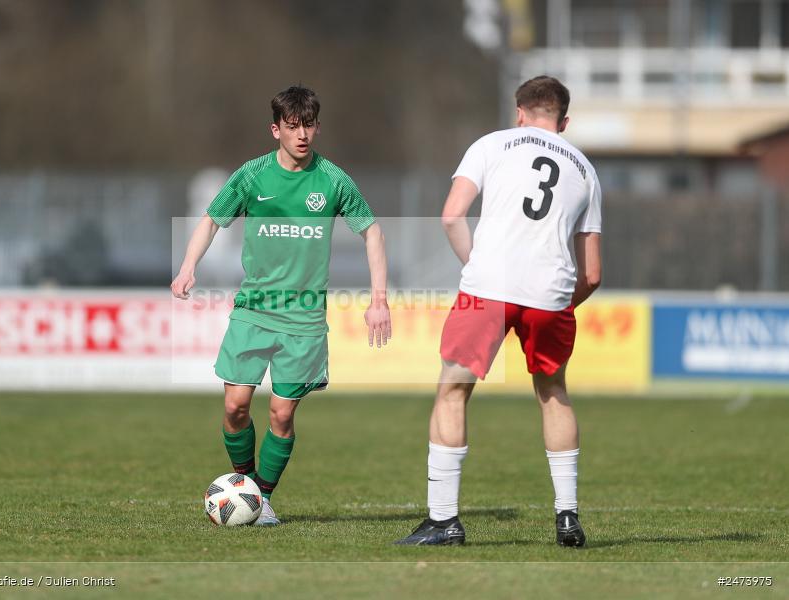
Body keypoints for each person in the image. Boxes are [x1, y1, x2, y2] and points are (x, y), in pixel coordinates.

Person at [396, 76, 602, 547]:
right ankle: (567, 518)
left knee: (452, 392)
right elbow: (591, 273)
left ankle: (445, 521)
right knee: (553, 393)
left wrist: (479, 268)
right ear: (563, 121)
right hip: (550, 293)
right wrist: (555, 302)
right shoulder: (586, 170)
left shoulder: (491, 144)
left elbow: (451, 216)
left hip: (488, 288)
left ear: (519, 112)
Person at [171, 85, 391, 526]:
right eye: (292, 127)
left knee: (281, 412)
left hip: (305, 320)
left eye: (308, 125)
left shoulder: (333, 180)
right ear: (276, 130)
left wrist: (378, 300)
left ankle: (262, 499)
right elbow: (212, 219)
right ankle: (245, 486)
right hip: (253, 310)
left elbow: (372, 232)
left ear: (317, 126)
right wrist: (187, 266)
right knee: (235, 407)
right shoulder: (253, 176)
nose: (302, 134)